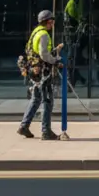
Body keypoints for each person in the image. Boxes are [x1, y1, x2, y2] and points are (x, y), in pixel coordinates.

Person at [18, 9, 64, 140]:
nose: (53, 23)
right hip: (43, 73)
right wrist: (55, 60)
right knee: (47, 100)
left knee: (36, 98)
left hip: (35, 71)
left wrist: (55, 51)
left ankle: (24, 126)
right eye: (52, 21)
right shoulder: (44, 34)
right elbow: (43, 54)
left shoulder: (36, 32)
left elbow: (37, 52)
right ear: (48, 21)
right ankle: (46, 131)